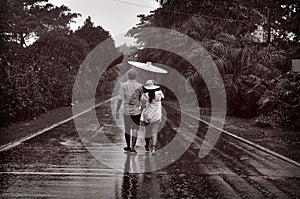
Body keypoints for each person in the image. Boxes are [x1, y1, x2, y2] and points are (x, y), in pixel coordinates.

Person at [116, 69, 142, 153]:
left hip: (126, 111)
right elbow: (142, 99)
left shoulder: (123, 85)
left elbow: (120, 99)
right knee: (135, 128)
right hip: (136, 111)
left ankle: (128, 146)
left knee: (127, 129)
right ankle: (133, 147)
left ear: (128, 76)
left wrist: (117, 110)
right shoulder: (140, 86)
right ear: (136, 76)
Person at [140, 80, 164, 154]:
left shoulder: (144, 95)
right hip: (156, 115)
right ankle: (153, 148)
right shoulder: (159, 94)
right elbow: (162, 98)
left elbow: (142, 106)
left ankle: (147, 146)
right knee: (154, 132)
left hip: (147, 115)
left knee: (147, 131)